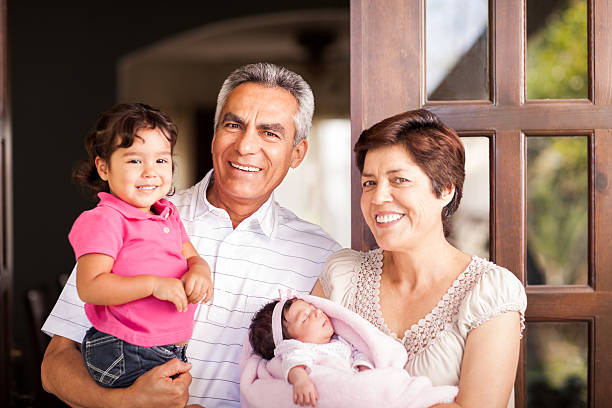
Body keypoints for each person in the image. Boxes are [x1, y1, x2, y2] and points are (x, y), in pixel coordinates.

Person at [40, 63, 341, 408]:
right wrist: (129, 402)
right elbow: (55, 364)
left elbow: (333, 375)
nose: (245, 146)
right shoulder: (132, 217)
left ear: (297, 153)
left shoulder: (322, 256)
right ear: (214, 137)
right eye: (233, 125)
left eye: (270, 133)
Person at [311, 109, 527, 408]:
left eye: (399, 180)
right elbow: (297, 374)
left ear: (446, 190)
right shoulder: (342, 275)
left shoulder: (490, 291)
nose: (377, 198)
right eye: (369, 183)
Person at [69, 103, 213, 388]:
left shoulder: (167, 214)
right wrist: (152, 284)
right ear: (104, 167)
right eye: (135, 161)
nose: (150, 172)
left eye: (161, 160)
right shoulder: (105, 219)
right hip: (125, 349)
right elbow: (91, 286)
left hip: (164, 349)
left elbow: (192, 257)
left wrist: (200, 272)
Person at [249, 297, 374, 406]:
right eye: (305, 318)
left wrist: (364, 367)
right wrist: (300, 380)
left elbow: (358, 352)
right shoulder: (300, 349)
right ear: (289, 342)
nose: (318, 312)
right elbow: (294, 362)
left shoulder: (341, 339)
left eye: (313, 308)